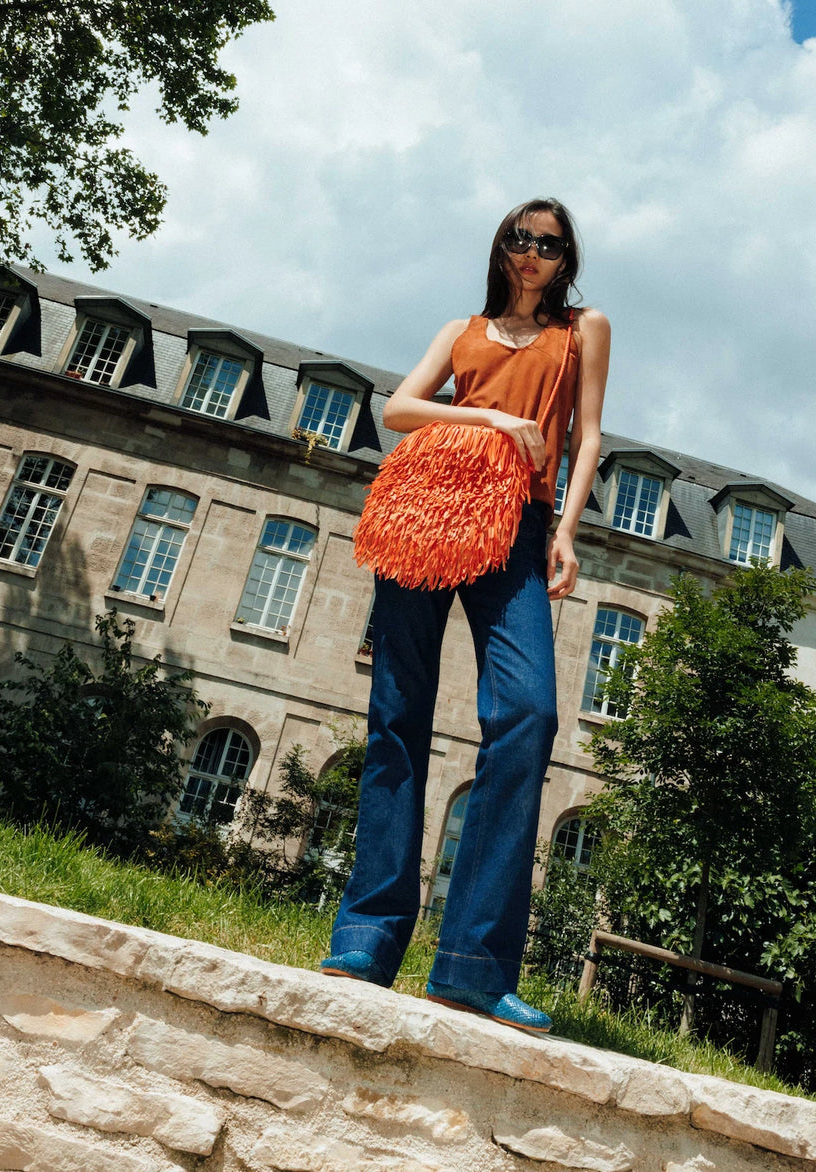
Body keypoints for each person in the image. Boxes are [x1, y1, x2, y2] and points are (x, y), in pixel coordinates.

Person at [322, 198, 611, 1032]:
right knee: (397, 714)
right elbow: (400, 410)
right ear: (501, 245)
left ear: (567, 258)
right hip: (426, 507)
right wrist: (485, 413)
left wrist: (566, 530)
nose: (533, 254)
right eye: (521, 239)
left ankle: (473, 967)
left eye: (550, 245)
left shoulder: (583, 329)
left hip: (516, 523)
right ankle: (368, 938)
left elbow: (589, 435)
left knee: (526, 714)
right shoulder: (461, 330)